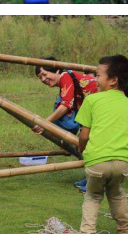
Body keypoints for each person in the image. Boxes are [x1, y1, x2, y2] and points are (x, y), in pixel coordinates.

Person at [74, 55, 128, 234]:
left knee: (93, 196)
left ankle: (88, 231)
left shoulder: (92, 100)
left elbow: (84, 135)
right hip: (123, 162)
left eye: (98, 75)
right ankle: (124, 228)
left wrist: (80, 148)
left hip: (97, 161)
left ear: (113, 80)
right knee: (116, 193)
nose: (94, 79)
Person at [33, 58, 99, 192]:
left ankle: (96, 181)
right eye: (40, 77)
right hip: (92, 111)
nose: (43, 79)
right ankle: (91, 177)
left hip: (102, 108)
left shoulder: (65, 76)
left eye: (45, 74)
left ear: (57, 70)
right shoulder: (65, 82)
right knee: (88, 144)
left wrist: (44, 123)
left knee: (93, 145)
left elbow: (65, 105)